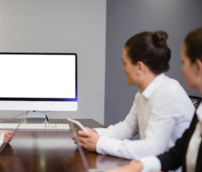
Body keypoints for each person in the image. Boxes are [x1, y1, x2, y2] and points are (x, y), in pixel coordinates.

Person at [99, 27, 202, 172]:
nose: (181, 68)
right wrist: (138, 166)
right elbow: (176, 154)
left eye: (184, 62)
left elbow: (153, 148)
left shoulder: (166, 93)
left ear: (199, 67)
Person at [72, 31, 194, 160]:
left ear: (139, 67)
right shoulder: (143, 93)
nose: (123, 69)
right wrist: (96, 134)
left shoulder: (165, 94)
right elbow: (128, 127)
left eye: (125, 63)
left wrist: (100, 143)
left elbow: (151, 149)